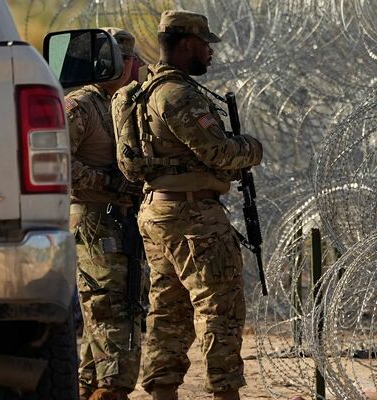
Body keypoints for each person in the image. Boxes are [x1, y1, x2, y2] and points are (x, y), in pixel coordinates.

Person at [133, 9, 263, 400]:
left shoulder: (145, 92)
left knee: (168, 312)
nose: (210, 53)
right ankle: (226, 393)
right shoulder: (178, 94)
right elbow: (218, 153)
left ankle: (162, 391)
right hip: (193, 218)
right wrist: (252, 149)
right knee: (219, 309)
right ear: (187, 43)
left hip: (159, 210)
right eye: (206, 45)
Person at [66, 27, 143, 400]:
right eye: (130, 61)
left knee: (111, 311)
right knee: (111, 312)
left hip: (118, 219)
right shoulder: (81, 105)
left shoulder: (119, 104)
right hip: (94, 218)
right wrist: (111, 184)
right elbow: (55, 164)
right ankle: (111, 388)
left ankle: (92, 386)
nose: (137, 68)